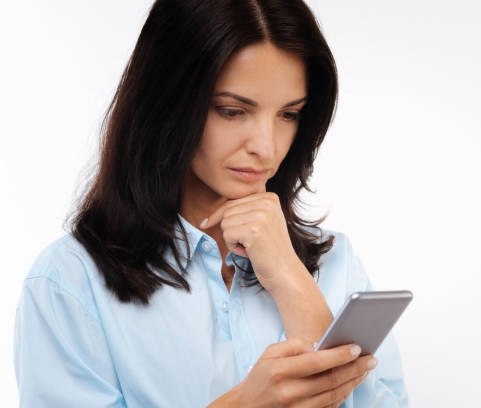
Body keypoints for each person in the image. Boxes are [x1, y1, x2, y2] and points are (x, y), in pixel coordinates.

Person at [13, 0, 409, 406]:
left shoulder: (337, 266)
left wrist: (292, 280)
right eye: (232, 111)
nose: (266, 147)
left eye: (289, 114)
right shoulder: (70, 285)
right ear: (166, 104)